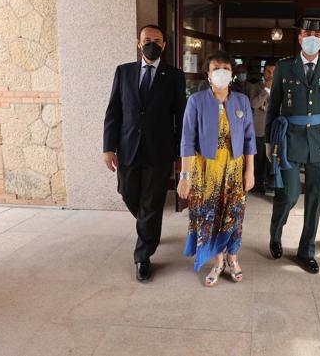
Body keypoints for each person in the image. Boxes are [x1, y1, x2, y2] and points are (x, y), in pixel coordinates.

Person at [103, 24, 186, 282]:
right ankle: (151, 225)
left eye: (157, 40)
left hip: (160, 150)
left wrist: (181, 153)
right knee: (127, 192)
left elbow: (181, 116)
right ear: (139, 43)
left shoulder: (174, 76)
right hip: (127, 147)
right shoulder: (124, 72)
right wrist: (108, 147)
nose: (152, 43)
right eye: (147, 39)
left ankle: (143, 255)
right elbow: (114, 111)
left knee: (150, 202)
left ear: (164, 45)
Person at [265, 16, 320, 274]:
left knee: (315, 197)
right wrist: (269, 142)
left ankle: (306, 250)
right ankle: (275, 235)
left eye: (317, 35)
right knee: (288, 195)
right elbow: (273, 106)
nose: (312, 39)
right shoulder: (284, 67)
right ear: (299, 38)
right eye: (306, 35)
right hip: (289, 140)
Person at [177, 51, 256, 287]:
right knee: (211, 215)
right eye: (215, 68)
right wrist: (185, 176)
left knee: (233, 214)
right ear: (208, 74)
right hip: (206, 170)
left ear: (232, 74)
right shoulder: (196, 101)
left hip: (234, 168)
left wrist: (249, 170)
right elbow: (187, 141)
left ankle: (233, 256)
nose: (221, 72)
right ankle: (219, 261)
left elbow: (250, 138)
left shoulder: (241, 101)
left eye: (226, 68)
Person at [248, 61, 275, 193]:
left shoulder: (281, 86)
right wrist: (266, 90)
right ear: (264, 72)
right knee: (259, 160)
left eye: (274, 72)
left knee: (272, 159)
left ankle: (272, 183)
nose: (271, 75)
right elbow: (254, 104)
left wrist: (265, 106)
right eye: (268, 72)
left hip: (274, 130)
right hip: (259, 129)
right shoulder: (255, 87)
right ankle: (259, 185)